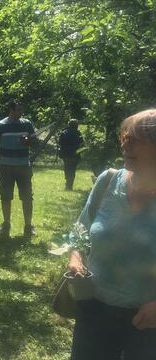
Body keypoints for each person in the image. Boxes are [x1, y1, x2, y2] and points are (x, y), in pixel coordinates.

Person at [68, 109, 156, 359]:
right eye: (125, 138)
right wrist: (75, 258)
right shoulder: (107, 181)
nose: (126, 145)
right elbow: (79, 233)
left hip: (147, 322)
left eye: (136, 139)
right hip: (94, 311)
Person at [0, 100, 37, 239]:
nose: (21, 113)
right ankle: (6, 224)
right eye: (18, 110)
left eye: (21, 110)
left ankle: (28, 226)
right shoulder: (0, 126)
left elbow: (35, 142)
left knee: (27, 197)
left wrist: (28, 141)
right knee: (6, 197)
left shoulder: (27, 124)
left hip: (23, 166)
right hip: (6, 167)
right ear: (11, 110)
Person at [58, 119, 84, 190]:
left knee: (67, 168)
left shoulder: (64, 132)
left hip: (66, 154)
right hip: (75, 154)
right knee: (72, 169)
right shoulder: (78, 133)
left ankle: (68, 183)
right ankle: (70, 184)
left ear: (69, 125)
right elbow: (82, 144)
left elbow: (60, 143)